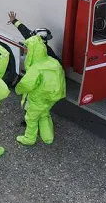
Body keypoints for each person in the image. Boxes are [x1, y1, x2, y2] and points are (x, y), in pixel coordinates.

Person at [9, 12, 66, 146]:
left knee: (32, 118)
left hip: (37, 95)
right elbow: (26, 32)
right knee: (45, 115)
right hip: (50, 95)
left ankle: (29, 139)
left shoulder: (37, 61)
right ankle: (48, 138)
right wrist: (14, 21)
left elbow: (27, 84)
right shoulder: (52, 58)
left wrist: (18, 89)